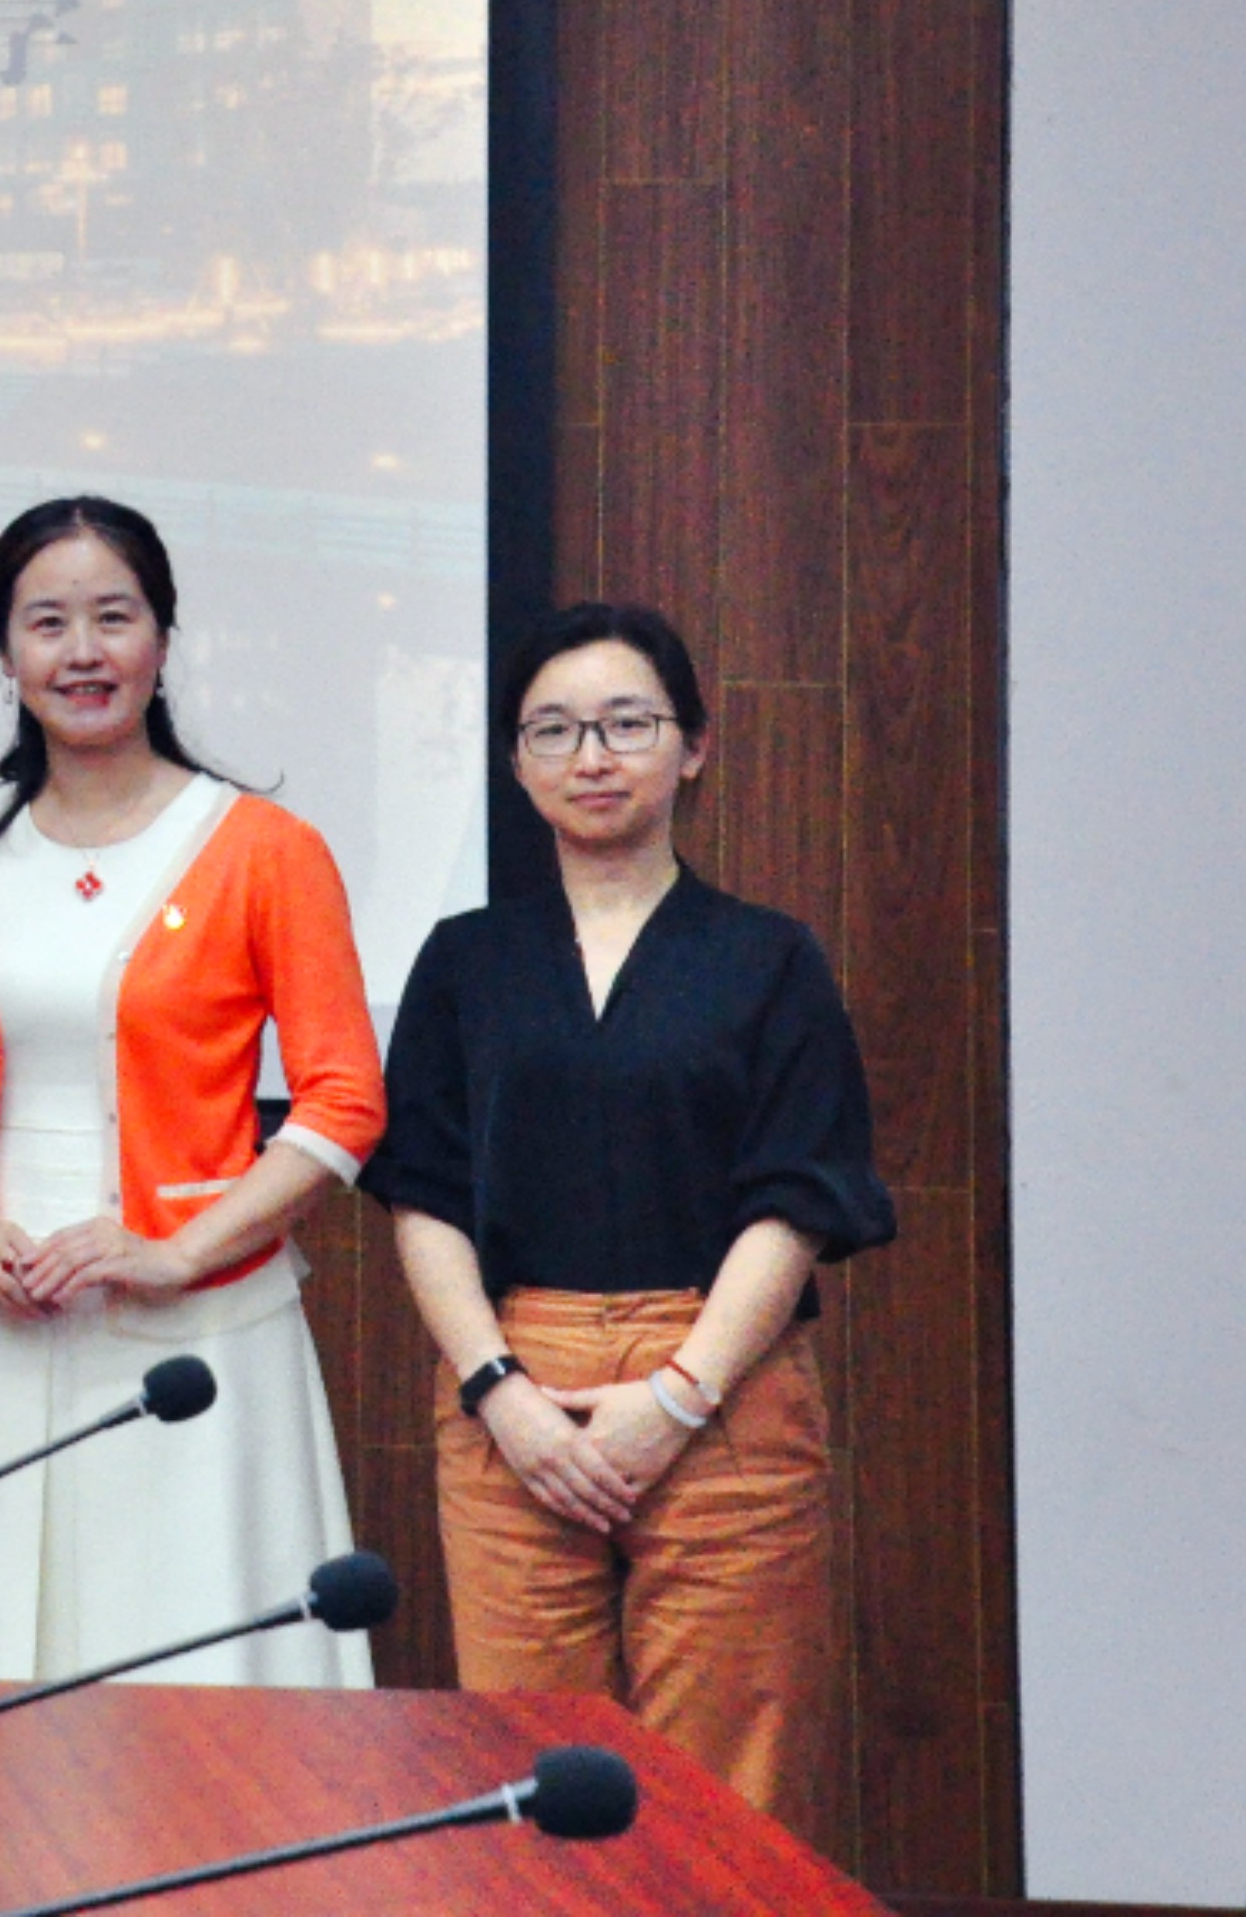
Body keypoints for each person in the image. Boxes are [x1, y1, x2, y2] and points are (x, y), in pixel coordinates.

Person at [364, 602, 891, 1850]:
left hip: (720, 1379)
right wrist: (497, 1389)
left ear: (693, 745)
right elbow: (422, 1195)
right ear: (514, 761)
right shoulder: (464, 958)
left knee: (726, 1780)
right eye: (552, 729)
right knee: (529, 1770)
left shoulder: (769, 957)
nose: (589, 756)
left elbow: (796, 1200)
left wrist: (680, 1394)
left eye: (625, 723)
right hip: (513, 1385)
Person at [0, 494, 386, 1688]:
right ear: (4, 652)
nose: (82, 652)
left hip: (196, 1320)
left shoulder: (265, 846)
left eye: (113, 617)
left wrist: (175, 1252)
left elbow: (341, 1100)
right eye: (47, 623)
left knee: (188, 1667)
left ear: (163, 639)